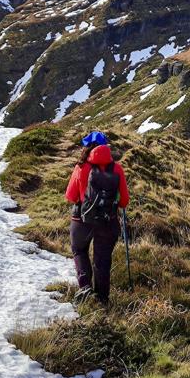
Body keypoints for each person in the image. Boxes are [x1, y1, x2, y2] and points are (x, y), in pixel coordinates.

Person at [65, 131, 129, 305]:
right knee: (102, 260)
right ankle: (102, 300)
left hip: (82, 220)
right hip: (108, 221)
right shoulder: (117, 168)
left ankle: (85, 287)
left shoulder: (81, 167)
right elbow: (124, 201)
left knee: (79, 250)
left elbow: (71, 196)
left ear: (87, 147)